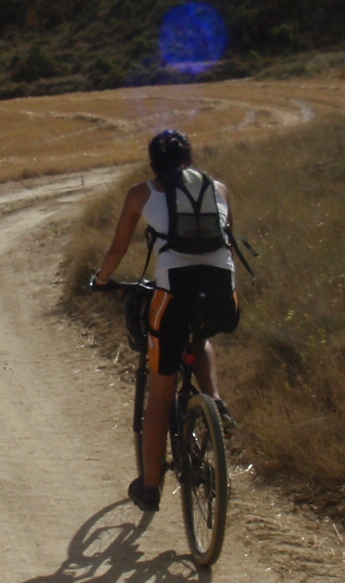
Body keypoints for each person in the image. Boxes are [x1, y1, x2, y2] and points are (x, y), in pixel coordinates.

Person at [88, 128, 240, 513]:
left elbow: (118, 248)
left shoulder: (142, 193)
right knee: (201, 334)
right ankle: (215, 402)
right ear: (190, 159)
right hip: (223, 294)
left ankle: (151, 486)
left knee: (160, 393)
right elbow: (228, 242)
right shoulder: (219, 189)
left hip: (174, 295)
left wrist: (101, 280)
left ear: (152, 163)